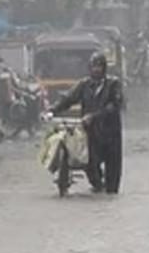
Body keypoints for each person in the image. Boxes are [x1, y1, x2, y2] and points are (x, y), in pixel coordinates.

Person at [49, 52, 125, 194]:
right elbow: (68, 99)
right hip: (90, 132)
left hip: (111, 134)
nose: (96, 70)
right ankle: (97, 186)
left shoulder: (113, 84)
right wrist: (53, 110)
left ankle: (110, 195)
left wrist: (94, 116)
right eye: (94, 66)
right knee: (89, 162)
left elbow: (114, 106)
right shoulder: (84, 85)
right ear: (89, 68)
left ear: (104, 68)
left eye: (99, 66)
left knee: (113, 177)